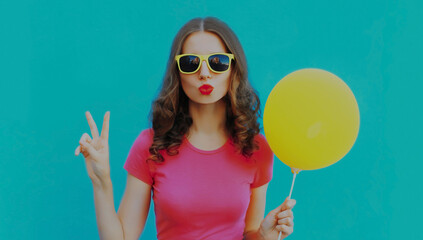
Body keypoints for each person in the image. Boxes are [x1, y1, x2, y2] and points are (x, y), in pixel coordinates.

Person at [75, 17, 296, 240]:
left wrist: (265, 235)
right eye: (191, 63)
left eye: (217, 62)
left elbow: (249, 234)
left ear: (233, 68)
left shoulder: (256, 148)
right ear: (178, 73)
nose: (205, 73)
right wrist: (101, 181)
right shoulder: (150, 145)